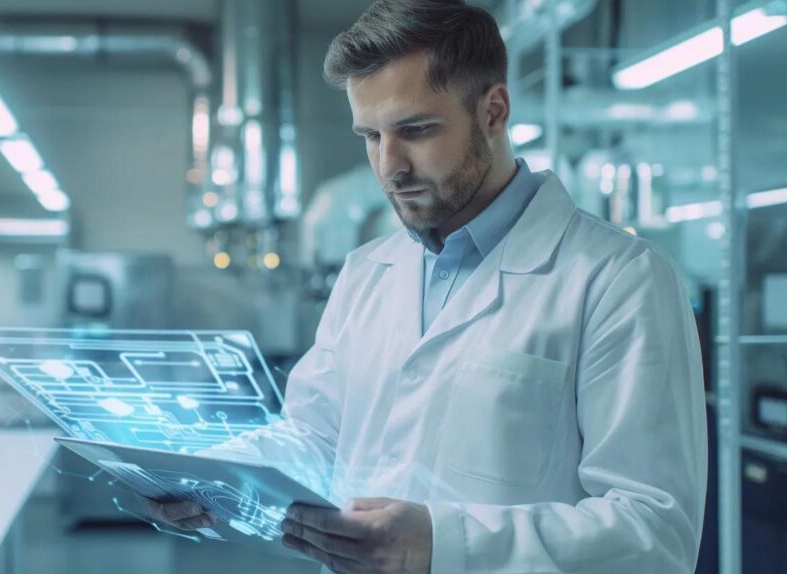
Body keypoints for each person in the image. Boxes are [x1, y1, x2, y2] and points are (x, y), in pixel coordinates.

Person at [150, 1, 708, 572]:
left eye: (414, 130)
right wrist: (208, 471)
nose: (390, 166)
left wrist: (440, 544)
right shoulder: (368, 271)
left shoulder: (620, 280)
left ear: (493, 111)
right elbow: (315, 437)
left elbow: (654, 532)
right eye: (371, 135)